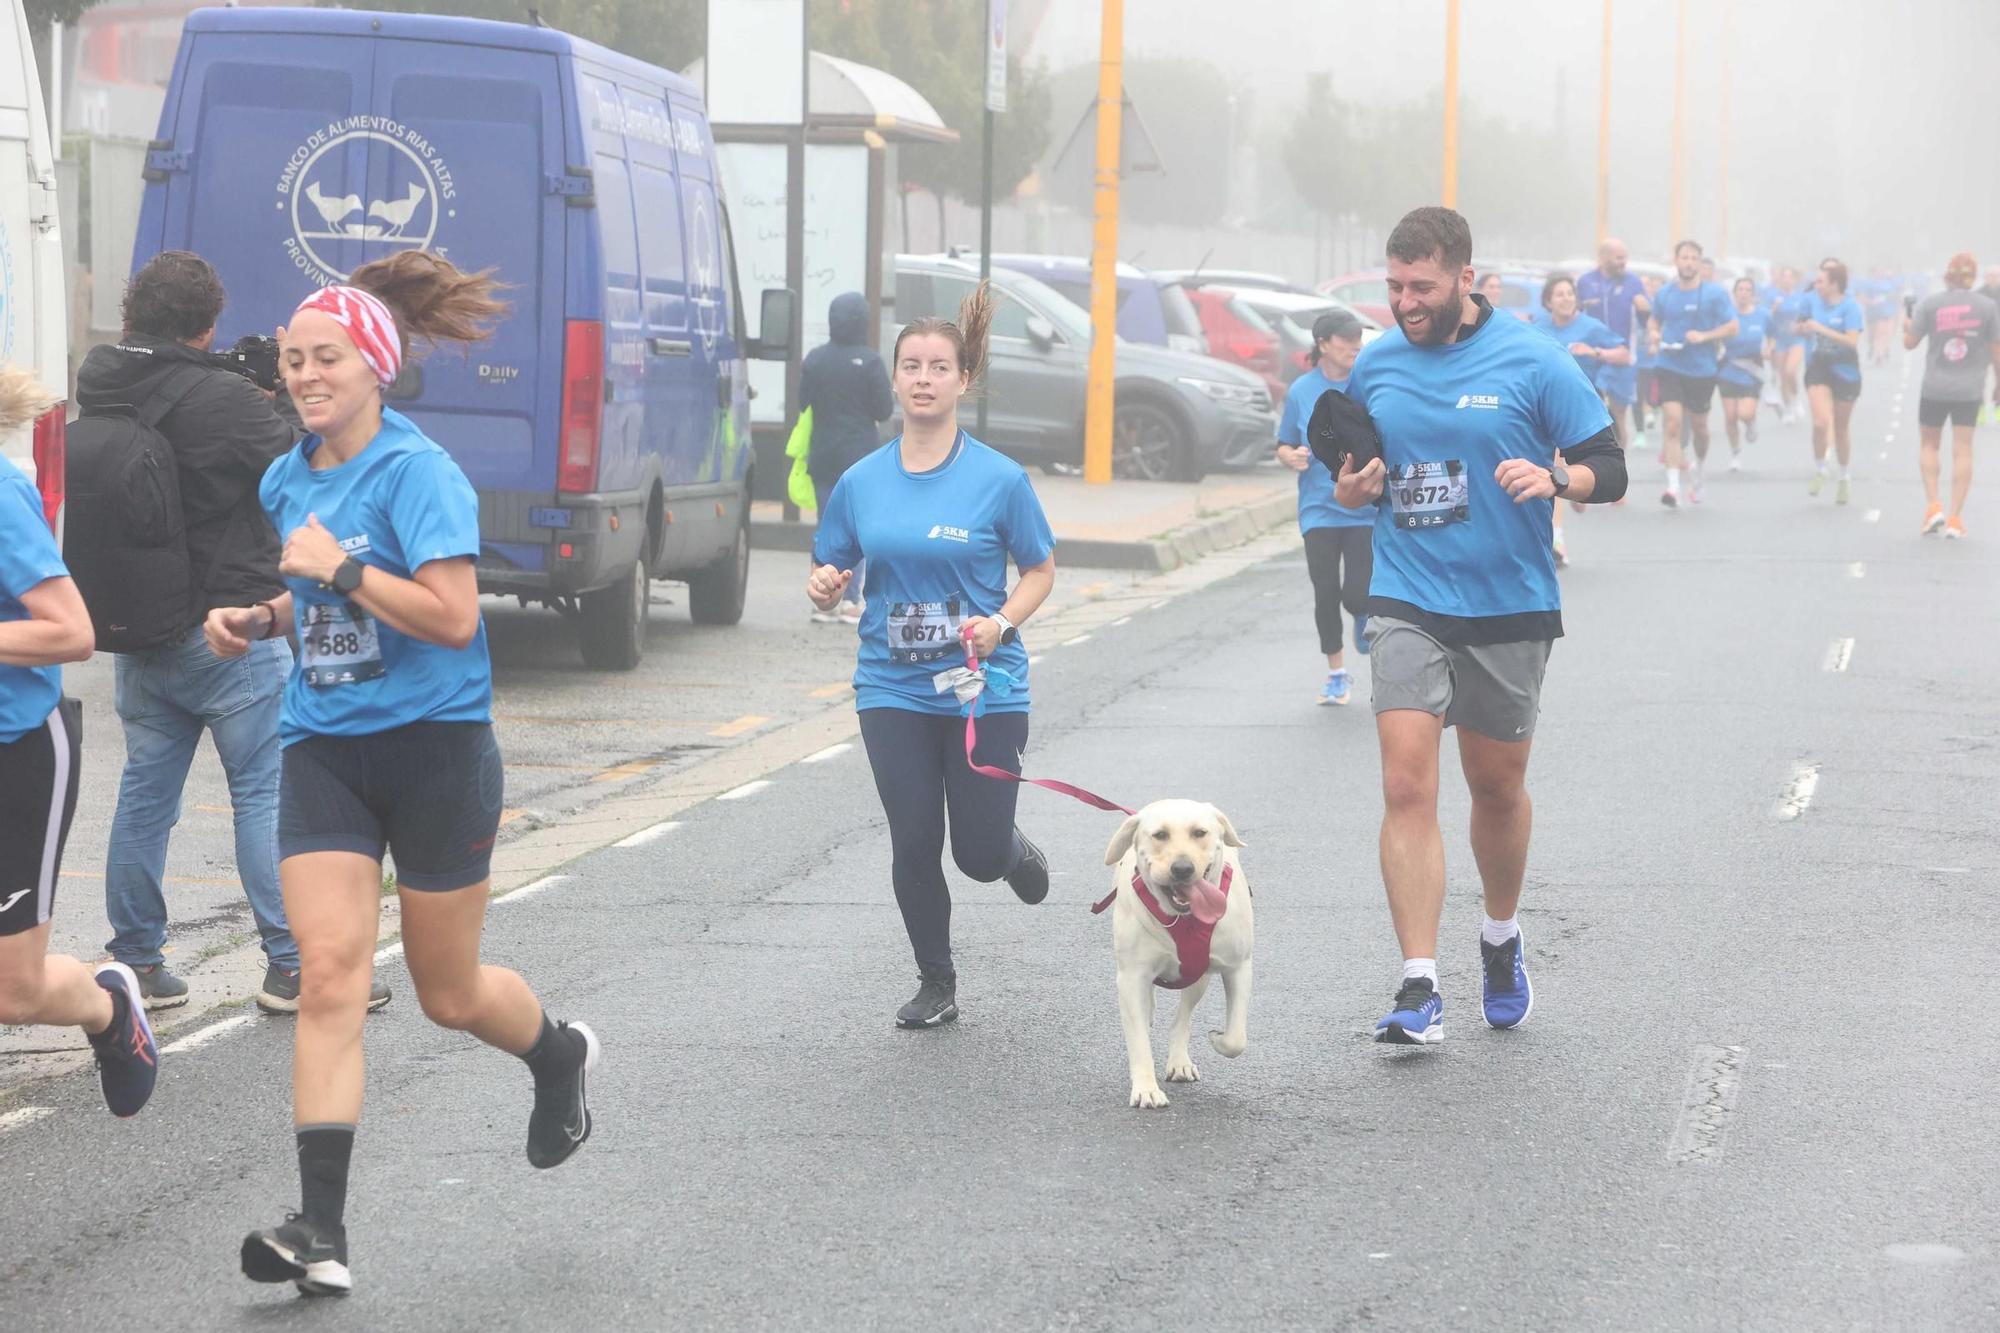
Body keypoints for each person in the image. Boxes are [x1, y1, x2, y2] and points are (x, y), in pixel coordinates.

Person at [209, 255, 598, 1297]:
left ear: (373, 365)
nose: (303, 374)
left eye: (324, 356)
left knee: (449, 992)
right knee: (328, 974)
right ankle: (319, 1228)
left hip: (436, 748)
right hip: (325, 746)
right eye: (291, 360)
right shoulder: (286, 474)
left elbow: (452, 615)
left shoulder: (420, 473)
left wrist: (335, 569)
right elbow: (333, 607)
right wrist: (264, 616)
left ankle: (555, 1056)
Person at [1331, 207, 1627, 1046]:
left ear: (1465, 277)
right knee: (1405, 783)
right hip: (1407, 595)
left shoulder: (1536, 358)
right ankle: (1419, 983)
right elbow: (1351, 466)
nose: (1404, 303)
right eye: (1393, 287)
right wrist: (1351, 491)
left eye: (1420, 287)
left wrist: (1558, 475)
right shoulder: (1378, 362)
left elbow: (1611, 469)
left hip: (1508, 600)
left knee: (1495, 787)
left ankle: (1500, 935)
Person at [74, 251, 388, 1017]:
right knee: (263, 791)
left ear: (132, 315)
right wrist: (280, 388)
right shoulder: (226, 399)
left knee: (146, 793)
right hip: (231, 629)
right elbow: (305, 457)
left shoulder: (102, 379)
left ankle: (135, 960)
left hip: (140, 623)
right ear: (208, 323)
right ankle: (292, 965)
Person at [807, 282, 1058, 1031]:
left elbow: (1040, 570)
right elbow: (833, 567)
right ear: (894, 378)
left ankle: (1011, 850)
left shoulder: (999, 479)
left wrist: (1001, 625)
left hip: (984, 687)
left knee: (975, 853)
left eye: (938, 366)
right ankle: (935, 980)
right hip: (892, 686)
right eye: (911, 365)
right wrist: (825, 586)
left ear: (962, 379)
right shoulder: (861, 481)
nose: (923, 378)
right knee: (915, 835)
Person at [0, 365, 160, 1118]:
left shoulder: (1, 494)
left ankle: (107, 1005)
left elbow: (72, 630)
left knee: (15, 990)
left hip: (18, 750)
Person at [1276, 310, 1372, 703]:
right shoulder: (1301, 390)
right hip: (1318, 507)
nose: (1354, 346)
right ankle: (1337, 673)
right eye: (1345, 340)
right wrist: (1290, 457)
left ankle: (1363, 616)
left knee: (1357, 595)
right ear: (1323, 345)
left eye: (1357, 339)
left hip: (1365, 505)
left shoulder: (1366, 384)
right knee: (1326, 590)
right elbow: (1282, 442)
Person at [800, 291, 893, 625]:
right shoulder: (869, 362)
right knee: (858, 528)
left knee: (826, 525)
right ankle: (851, 599)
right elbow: (884, 409)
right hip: (861, 458)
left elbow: (802, 400)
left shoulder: (814, 359)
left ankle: (822, 598)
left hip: (823, 454)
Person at [1532, 273, 1629, 566]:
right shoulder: (1538, 330)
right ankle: (1557, 539)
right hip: (1549, 407)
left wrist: (1596, 351)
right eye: (1559, 294)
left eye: (1569, 294)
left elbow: (1624, 354)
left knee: (1569, 470)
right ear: (1548, 301)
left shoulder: (1591, 327)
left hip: (1586, 410)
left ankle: (1578, 487)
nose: (1565, 299)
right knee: (1556, 466)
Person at [1905, 251, 2000, 538]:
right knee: (1963, 450)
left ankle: (1933, 506)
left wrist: (1905, 324)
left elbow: (1909, 343)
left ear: (1948, 274)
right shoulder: (1987, 307)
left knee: (1930, 446)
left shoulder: (1931, 304)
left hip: (1934, 387)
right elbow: (1996, 348)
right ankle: (1956, 518)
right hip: (1969, 389)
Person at [1648, 239, 1737, 507]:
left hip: (1702, 369)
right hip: (1669, 364)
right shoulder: (1665, 293)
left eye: (1693, 258)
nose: (1688, 262)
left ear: (1699, 263)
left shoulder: (1715, 294)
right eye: (1683, 257)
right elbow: (1654, 319)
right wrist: (1653, 332)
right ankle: (1673, 486)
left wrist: (1705, 336)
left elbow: (1733, 327)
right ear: (1676, 261)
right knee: (1672, 422)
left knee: (1700, 428)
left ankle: (1699, 469)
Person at [1801, 258, 1866, 504]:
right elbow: (1800, 325)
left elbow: (1851, 341)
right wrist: (1803, 329)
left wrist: (1820, 328)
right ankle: (1820, 468)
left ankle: (1844, 475)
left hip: (1846, 370)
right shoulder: (1813, 303)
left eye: (1820, 281)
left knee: (1840, 428)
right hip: (1819, 367)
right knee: (1820, 422)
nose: (1816, 285)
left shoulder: (1851, 308)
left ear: (1834, 284)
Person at [1575, 238, 1650, 448]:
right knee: (1592, 410)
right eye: (1618, 258)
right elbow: (1575, 314)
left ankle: (1619, 462)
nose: (1623, 262)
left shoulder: (1633, 282)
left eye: (1625, 258)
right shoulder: (1585, 282)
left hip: (1622, 355)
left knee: (1618, 414)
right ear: (1603, 257)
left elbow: (1646, 319)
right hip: (1591, 355)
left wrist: (1645, 309)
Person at [1716, 276, 1773, 468]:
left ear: (1754, 295)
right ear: (1734, 294)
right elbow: (1715, 334)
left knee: (1744, 413)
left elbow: (1772, 336)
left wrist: (1769, 348)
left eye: (1748, 290)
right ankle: (1735, 453)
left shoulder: (1763, 315)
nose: (1743, 293)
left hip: (1752, 370)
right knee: (1730, 416)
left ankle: (1750, 423)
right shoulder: (1726, 315)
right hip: (1728, 368)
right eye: (1740, 289)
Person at [1769, 266, 1810, 424]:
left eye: (1789, 277)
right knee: (1783, 376)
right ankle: (1789, 408)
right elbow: (1765, 316)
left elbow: (1808, 316)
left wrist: (1802, 326)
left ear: (1795, 280)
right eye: (1783, 276)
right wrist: (1774, 307)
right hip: (1779, 340)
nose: (1786, 280)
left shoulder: (1801, 296)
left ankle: (1796, 397)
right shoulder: (1773, 295)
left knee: (1791, 371)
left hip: (1796, 339)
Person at [1631, 273, 1666, 450]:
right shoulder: (1628, 308)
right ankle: (1640, 432)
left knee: (1652, 393)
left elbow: (1663, 328)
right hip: (1633, 360)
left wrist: (1655, 343)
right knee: (1637, 395)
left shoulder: (1655, 306)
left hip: (1652, 359)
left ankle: (1654, 408)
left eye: (1646, 285)